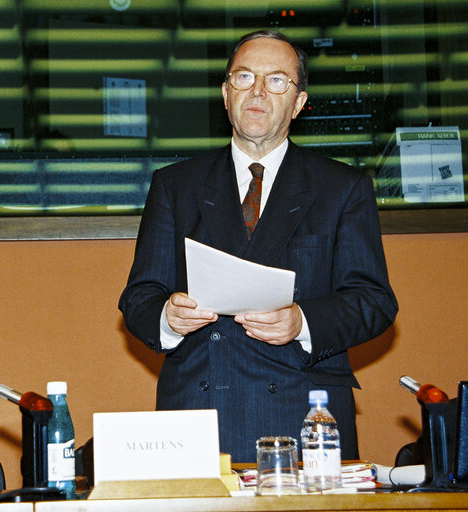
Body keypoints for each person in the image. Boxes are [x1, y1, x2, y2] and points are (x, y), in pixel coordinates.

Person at [119, 30, 398, 463]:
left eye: (277, 80)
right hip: (199, 412)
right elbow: (139, 297)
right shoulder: (176, 185)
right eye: (245, 77)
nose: (259, 92)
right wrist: (167, 317)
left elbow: (374, 302)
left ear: (299, 102)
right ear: (226, 94)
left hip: (304, 413)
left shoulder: (342, 187)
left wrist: (302, 321)